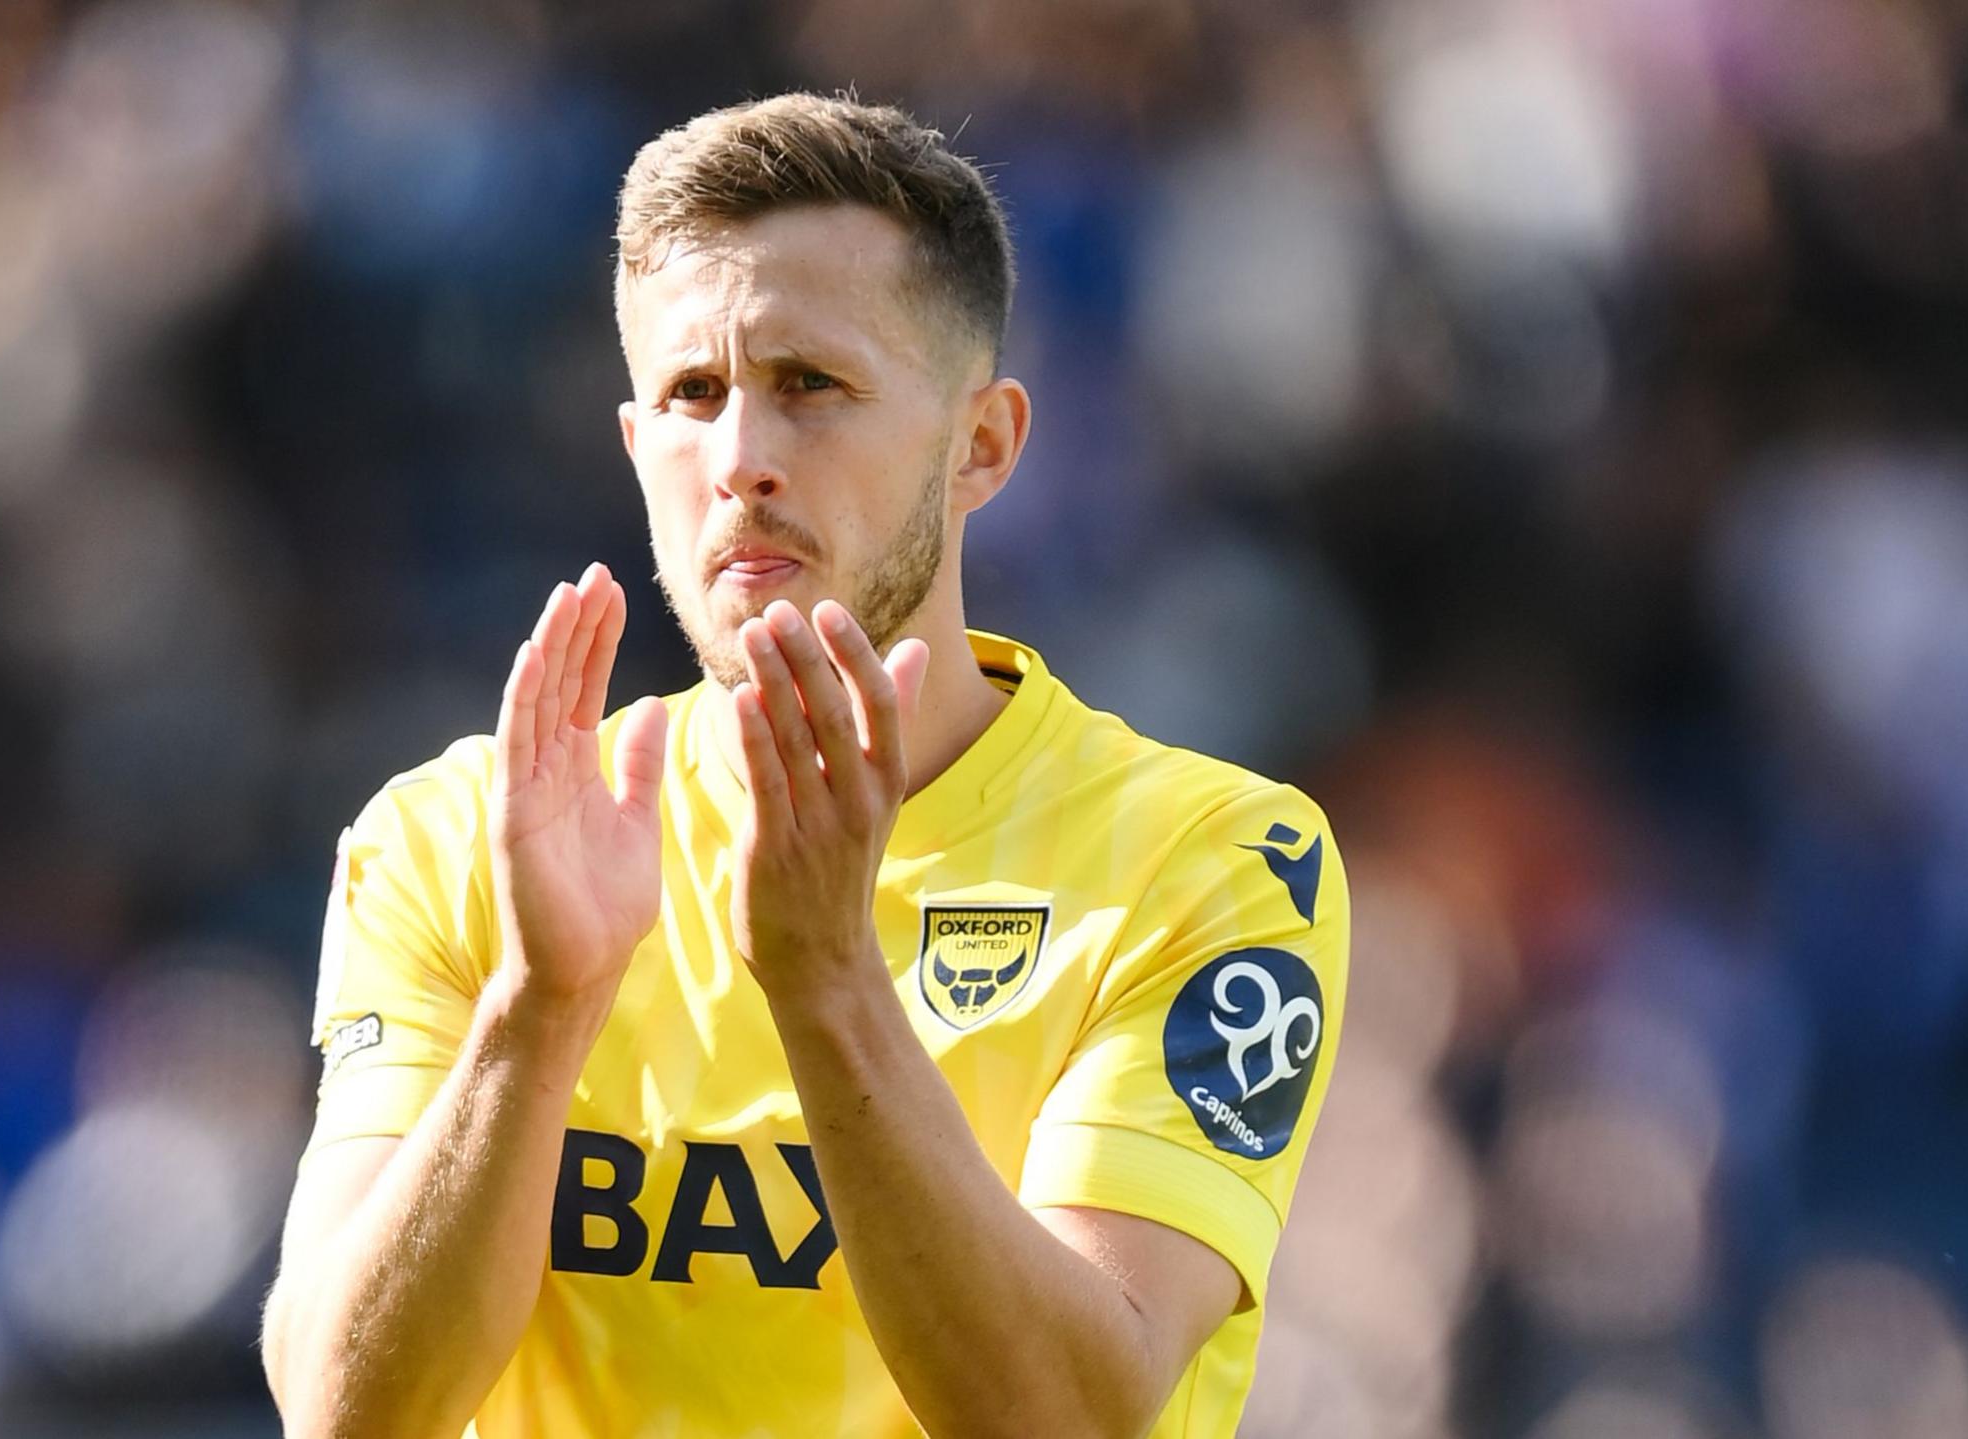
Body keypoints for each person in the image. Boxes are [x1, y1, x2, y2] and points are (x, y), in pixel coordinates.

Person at [260, 92, 1349, 1439]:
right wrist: (537, 1014)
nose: (740, 463)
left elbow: (1068, 1416)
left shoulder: (1207, 862)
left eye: (808, 387)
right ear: (635, 445)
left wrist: (828, 981)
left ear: (984, 445)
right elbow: (344, 1412)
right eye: (692, 395)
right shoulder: (460, 843)